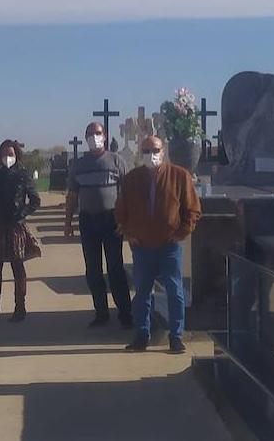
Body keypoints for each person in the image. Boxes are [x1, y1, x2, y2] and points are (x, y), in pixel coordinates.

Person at [115, 135, 202, 354]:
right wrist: (128, 233)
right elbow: (120, 211)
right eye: (145, 150)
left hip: (169, 246)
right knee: (143, 292)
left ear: (163, 151)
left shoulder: (180, 176)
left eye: (155, 150)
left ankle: (176, 336)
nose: (150, 155)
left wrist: (182, 232)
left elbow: (193, 209)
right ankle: (142, 335)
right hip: (142, 246)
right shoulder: (131, 179)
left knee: (174, 290)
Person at [64, 122, 133, 328]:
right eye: (90, 133)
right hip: (88, 220)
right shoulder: (78, 164)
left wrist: (126, 221)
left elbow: (127, 193)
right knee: (93, 269)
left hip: (112, 220)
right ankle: (101, 313)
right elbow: (72, 195)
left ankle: (125, 314)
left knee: (115, 268)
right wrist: (68, 223)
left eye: (98, 133)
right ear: (85, 137)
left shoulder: (116, 161)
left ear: (104, 136)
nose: (94, 136)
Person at [0, 139, 42, 322]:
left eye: (10, 154)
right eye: (4, 154)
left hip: (15, 226)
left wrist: (21, 213)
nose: (7, 158)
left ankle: (20, 308)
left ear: (16, 155)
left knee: (18, 267)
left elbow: (35, 200)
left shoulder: (23, 175)